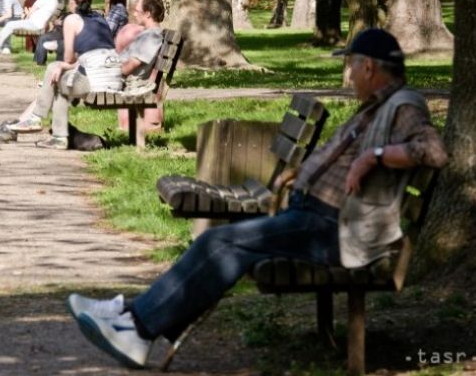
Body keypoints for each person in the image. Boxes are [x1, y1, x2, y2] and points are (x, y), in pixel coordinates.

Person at [66, 28, 449, 369]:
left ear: (370, 68)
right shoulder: (377, 108)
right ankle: (131, 317)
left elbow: (433, 151)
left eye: (351, 66)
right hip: (314, 217)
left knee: (221, 242)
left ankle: (137, 328)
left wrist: (374, 157)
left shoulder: (404, 105)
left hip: (333, 230)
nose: (348, 75)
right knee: (220, 245)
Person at [0, 0, 166, 149]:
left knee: (58, 79)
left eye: (137, 9)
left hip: (113, 82)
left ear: (148, 13)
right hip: (107, 74)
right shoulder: (146, 34)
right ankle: (25, 124)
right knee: (57, 74)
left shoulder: (151, 37)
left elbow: (128, 67)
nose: (133, 12)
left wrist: (96, 70)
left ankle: (22, 125)